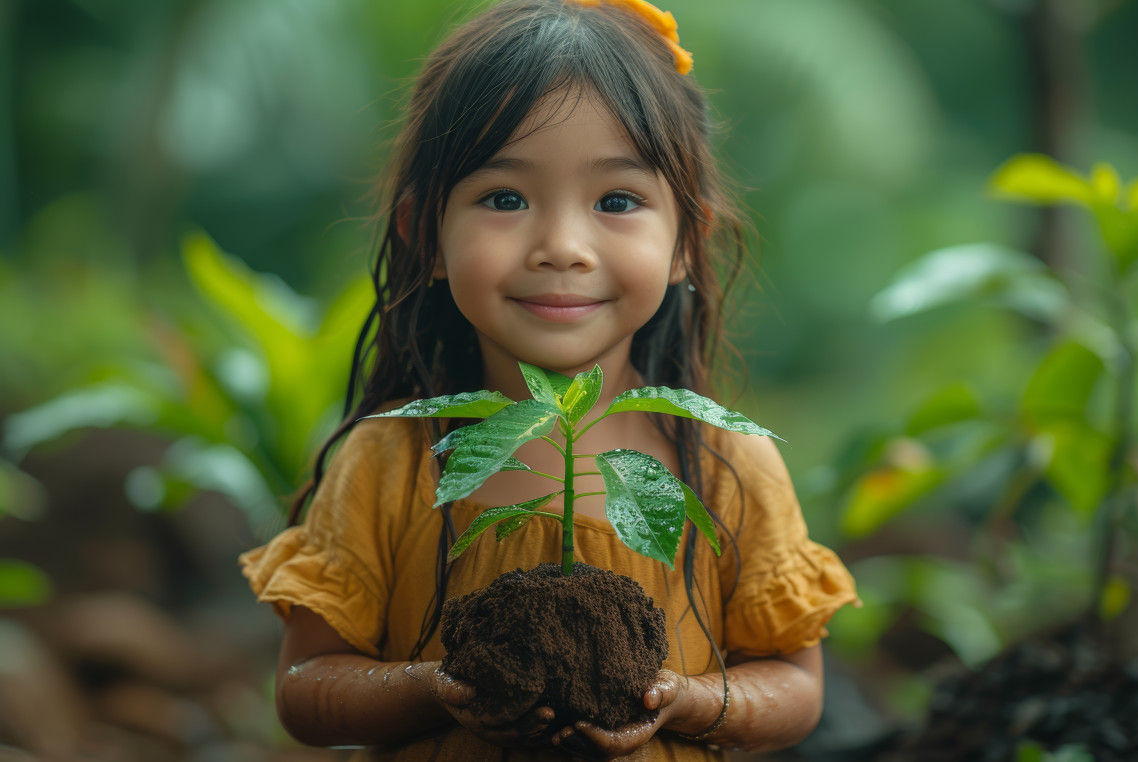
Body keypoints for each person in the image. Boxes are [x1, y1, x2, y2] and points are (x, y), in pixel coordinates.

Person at [239, 0, 860, 758]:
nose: (562, 246)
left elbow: (796, 686)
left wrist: (688, 699)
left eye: (616, 201)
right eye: (505, 198)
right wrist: (436, 684)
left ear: (685, 245)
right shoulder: (391, 461)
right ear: (422, 235)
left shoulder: (727, 466)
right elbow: (307, 687)